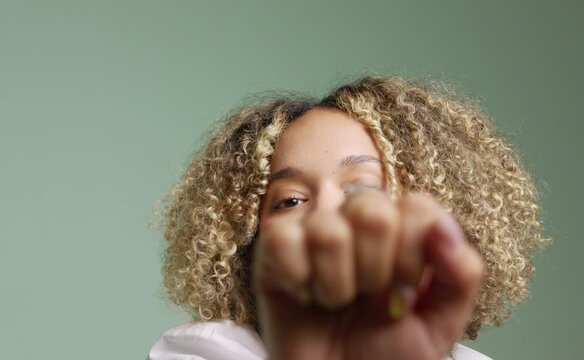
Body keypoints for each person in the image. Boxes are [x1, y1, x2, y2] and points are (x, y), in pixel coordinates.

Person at [148, 75, 548, 359]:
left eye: (360, 190)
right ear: (249, 241)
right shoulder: (204, 352)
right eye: (289, 201)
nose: (326, 214)